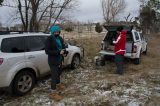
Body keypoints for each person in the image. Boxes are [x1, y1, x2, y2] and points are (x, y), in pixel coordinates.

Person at [45, 25, 66, 95]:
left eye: (58, 31)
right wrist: (58, 52)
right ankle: (53, 92)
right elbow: (47, 51)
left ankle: (58, 84)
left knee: (59, 73)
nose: (57, 33)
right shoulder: (49, 39)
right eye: (55, 32)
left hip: (60, 59)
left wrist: (65, 52)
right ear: (52, 32)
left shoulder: (60, 38)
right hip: (53, 60)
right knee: (54, 76)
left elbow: (63, 47)